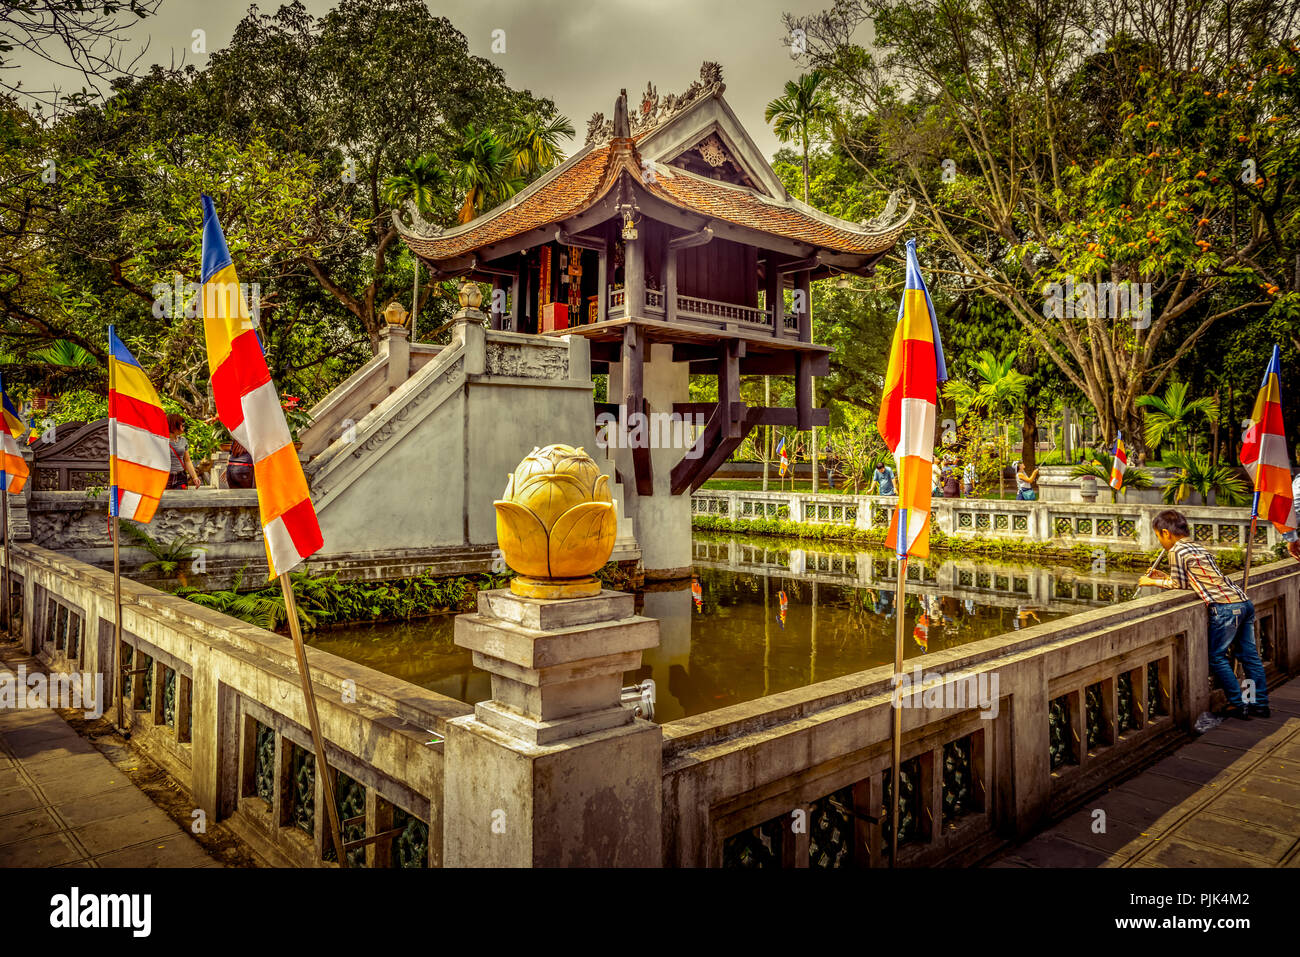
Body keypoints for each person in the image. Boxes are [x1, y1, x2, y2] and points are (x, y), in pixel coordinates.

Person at [1139, 509, 1269, 720]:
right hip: (1243, 601)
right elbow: (1194, 578)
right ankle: (1260, 704)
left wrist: (1152, 581)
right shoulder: (1197, 546)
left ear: (1166, 533)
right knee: (1250, 657)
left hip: (1224, 607)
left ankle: (1238, 704)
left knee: (1217, 657)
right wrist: (1165, 576)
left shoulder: (1177, 551)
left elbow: (1178, 584)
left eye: (1158, 537)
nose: (1160, 542)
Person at [165, 413, 202, 489]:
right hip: (166, 477)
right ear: (174, 425)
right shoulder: (162, 440)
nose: (184, 427)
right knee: (167, 500)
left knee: (181, 499)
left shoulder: (183, 440)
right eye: (182, 425)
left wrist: (194, 477)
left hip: (181, 477)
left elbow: (187, 460)